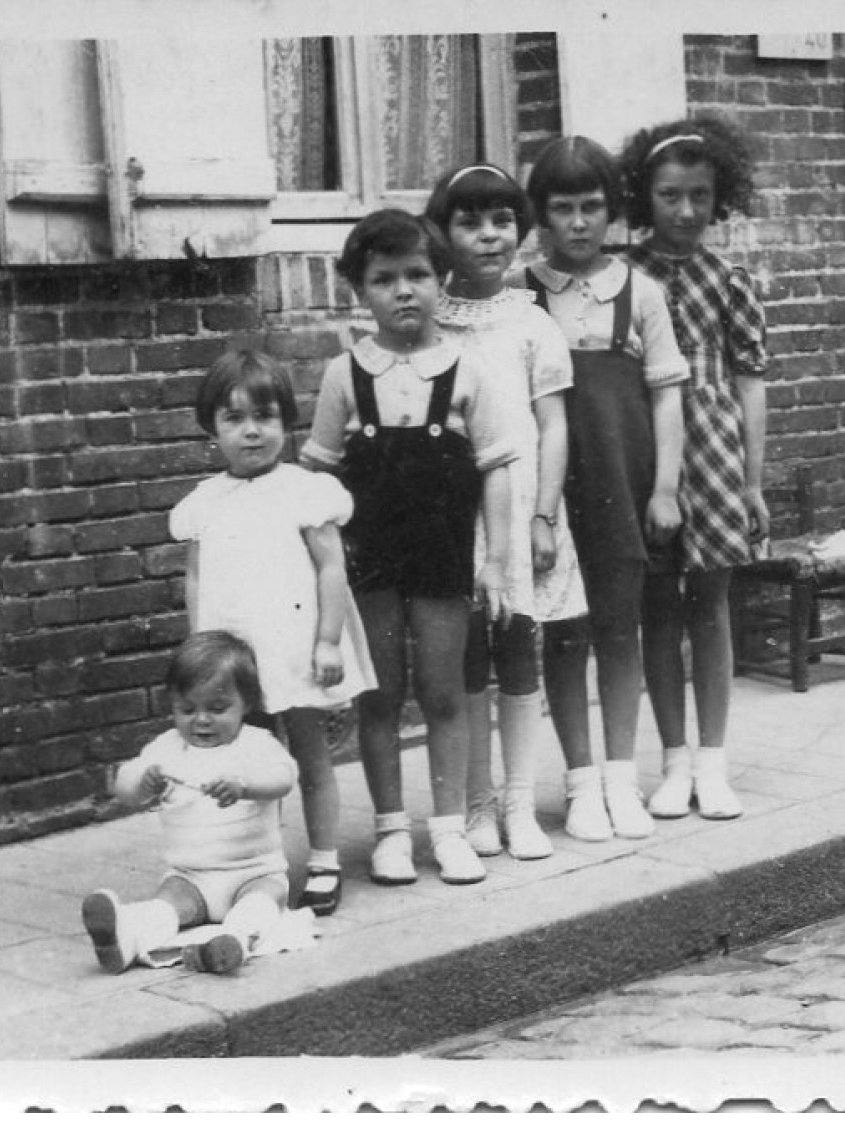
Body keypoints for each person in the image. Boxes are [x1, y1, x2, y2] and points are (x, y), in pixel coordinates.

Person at [302, 209, 516, 885]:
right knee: (381, 692)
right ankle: (391, 828)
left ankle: (448, 827)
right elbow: (316, 474)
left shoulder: (466, 369)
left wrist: (497, 562)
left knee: (444, 688)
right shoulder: (345, 375)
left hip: (442, 554)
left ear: (441, 279)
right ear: (360, 290)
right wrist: (316, 563)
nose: (404, 291)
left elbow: (497, 468)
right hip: (370, 560)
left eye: (418, 274)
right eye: (384, 278)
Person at [512, 135, 689, 840]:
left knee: (622, 628)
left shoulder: (640, 292)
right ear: (542, 215)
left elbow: (669, 397)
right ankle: (580, 783)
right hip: (552, 493)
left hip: (623, 479)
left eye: (592, 207)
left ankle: (622, 778)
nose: (579, 223)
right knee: (563, 633)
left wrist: (666, 488)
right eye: (563, 208)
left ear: (612, 211)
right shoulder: (521, 293)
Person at [168, 348, 376, 915]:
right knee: (250, 762)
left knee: (310, 757)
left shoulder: (304, 490)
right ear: (212, 427)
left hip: (295, 650)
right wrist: (200, 649)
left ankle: (325, 860)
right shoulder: (205, 502)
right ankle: (257, 864)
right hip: (238, 662)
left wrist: (328, 640)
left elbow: (332, 567)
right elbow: (197, 578)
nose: (252, 432)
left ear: (286, 421)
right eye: (234, 419)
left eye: (265, 417)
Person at [423, 163, 581, 861]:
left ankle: (520, 801)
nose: (488, 237)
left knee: (520, 644)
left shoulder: (530, 322)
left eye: (502, 222)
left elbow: (552, 425)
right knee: (464, 657)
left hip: (519, 511)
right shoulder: (429, 323)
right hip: (454, 516)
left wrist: (544, 515)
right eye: (469, 222)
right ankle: (477, 802)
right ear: (442, 231)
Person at [621, 116, 769, 820]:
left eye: (701, 196)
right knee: (655, 603)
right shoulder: (621, 277)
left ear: (721, 199)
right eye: (671, 195)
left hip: (712, 448)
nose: (685, 211)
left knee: (709, 603)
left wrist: (752, 481)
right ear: (644, 196)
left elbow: (751, 380)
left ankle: (713, 761)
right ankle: (672, 760)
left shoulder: (728, 278)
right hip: (646, 443)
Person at [81, 631, 297, 976]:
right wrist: (142, 782)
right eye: (187, 709)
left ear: (247, 703)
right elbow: (124, 786)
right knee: (166, 906)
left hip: (253, 872)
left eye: (217, 708)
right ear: (173, 704)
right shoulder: (167, 747)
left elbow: (284, 778)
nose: (201, 720)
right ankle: (125, 936)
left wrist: (245, 787)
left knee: (261, 903)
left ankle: (234, 941)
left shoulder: (256, 744)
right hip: (191, 877)